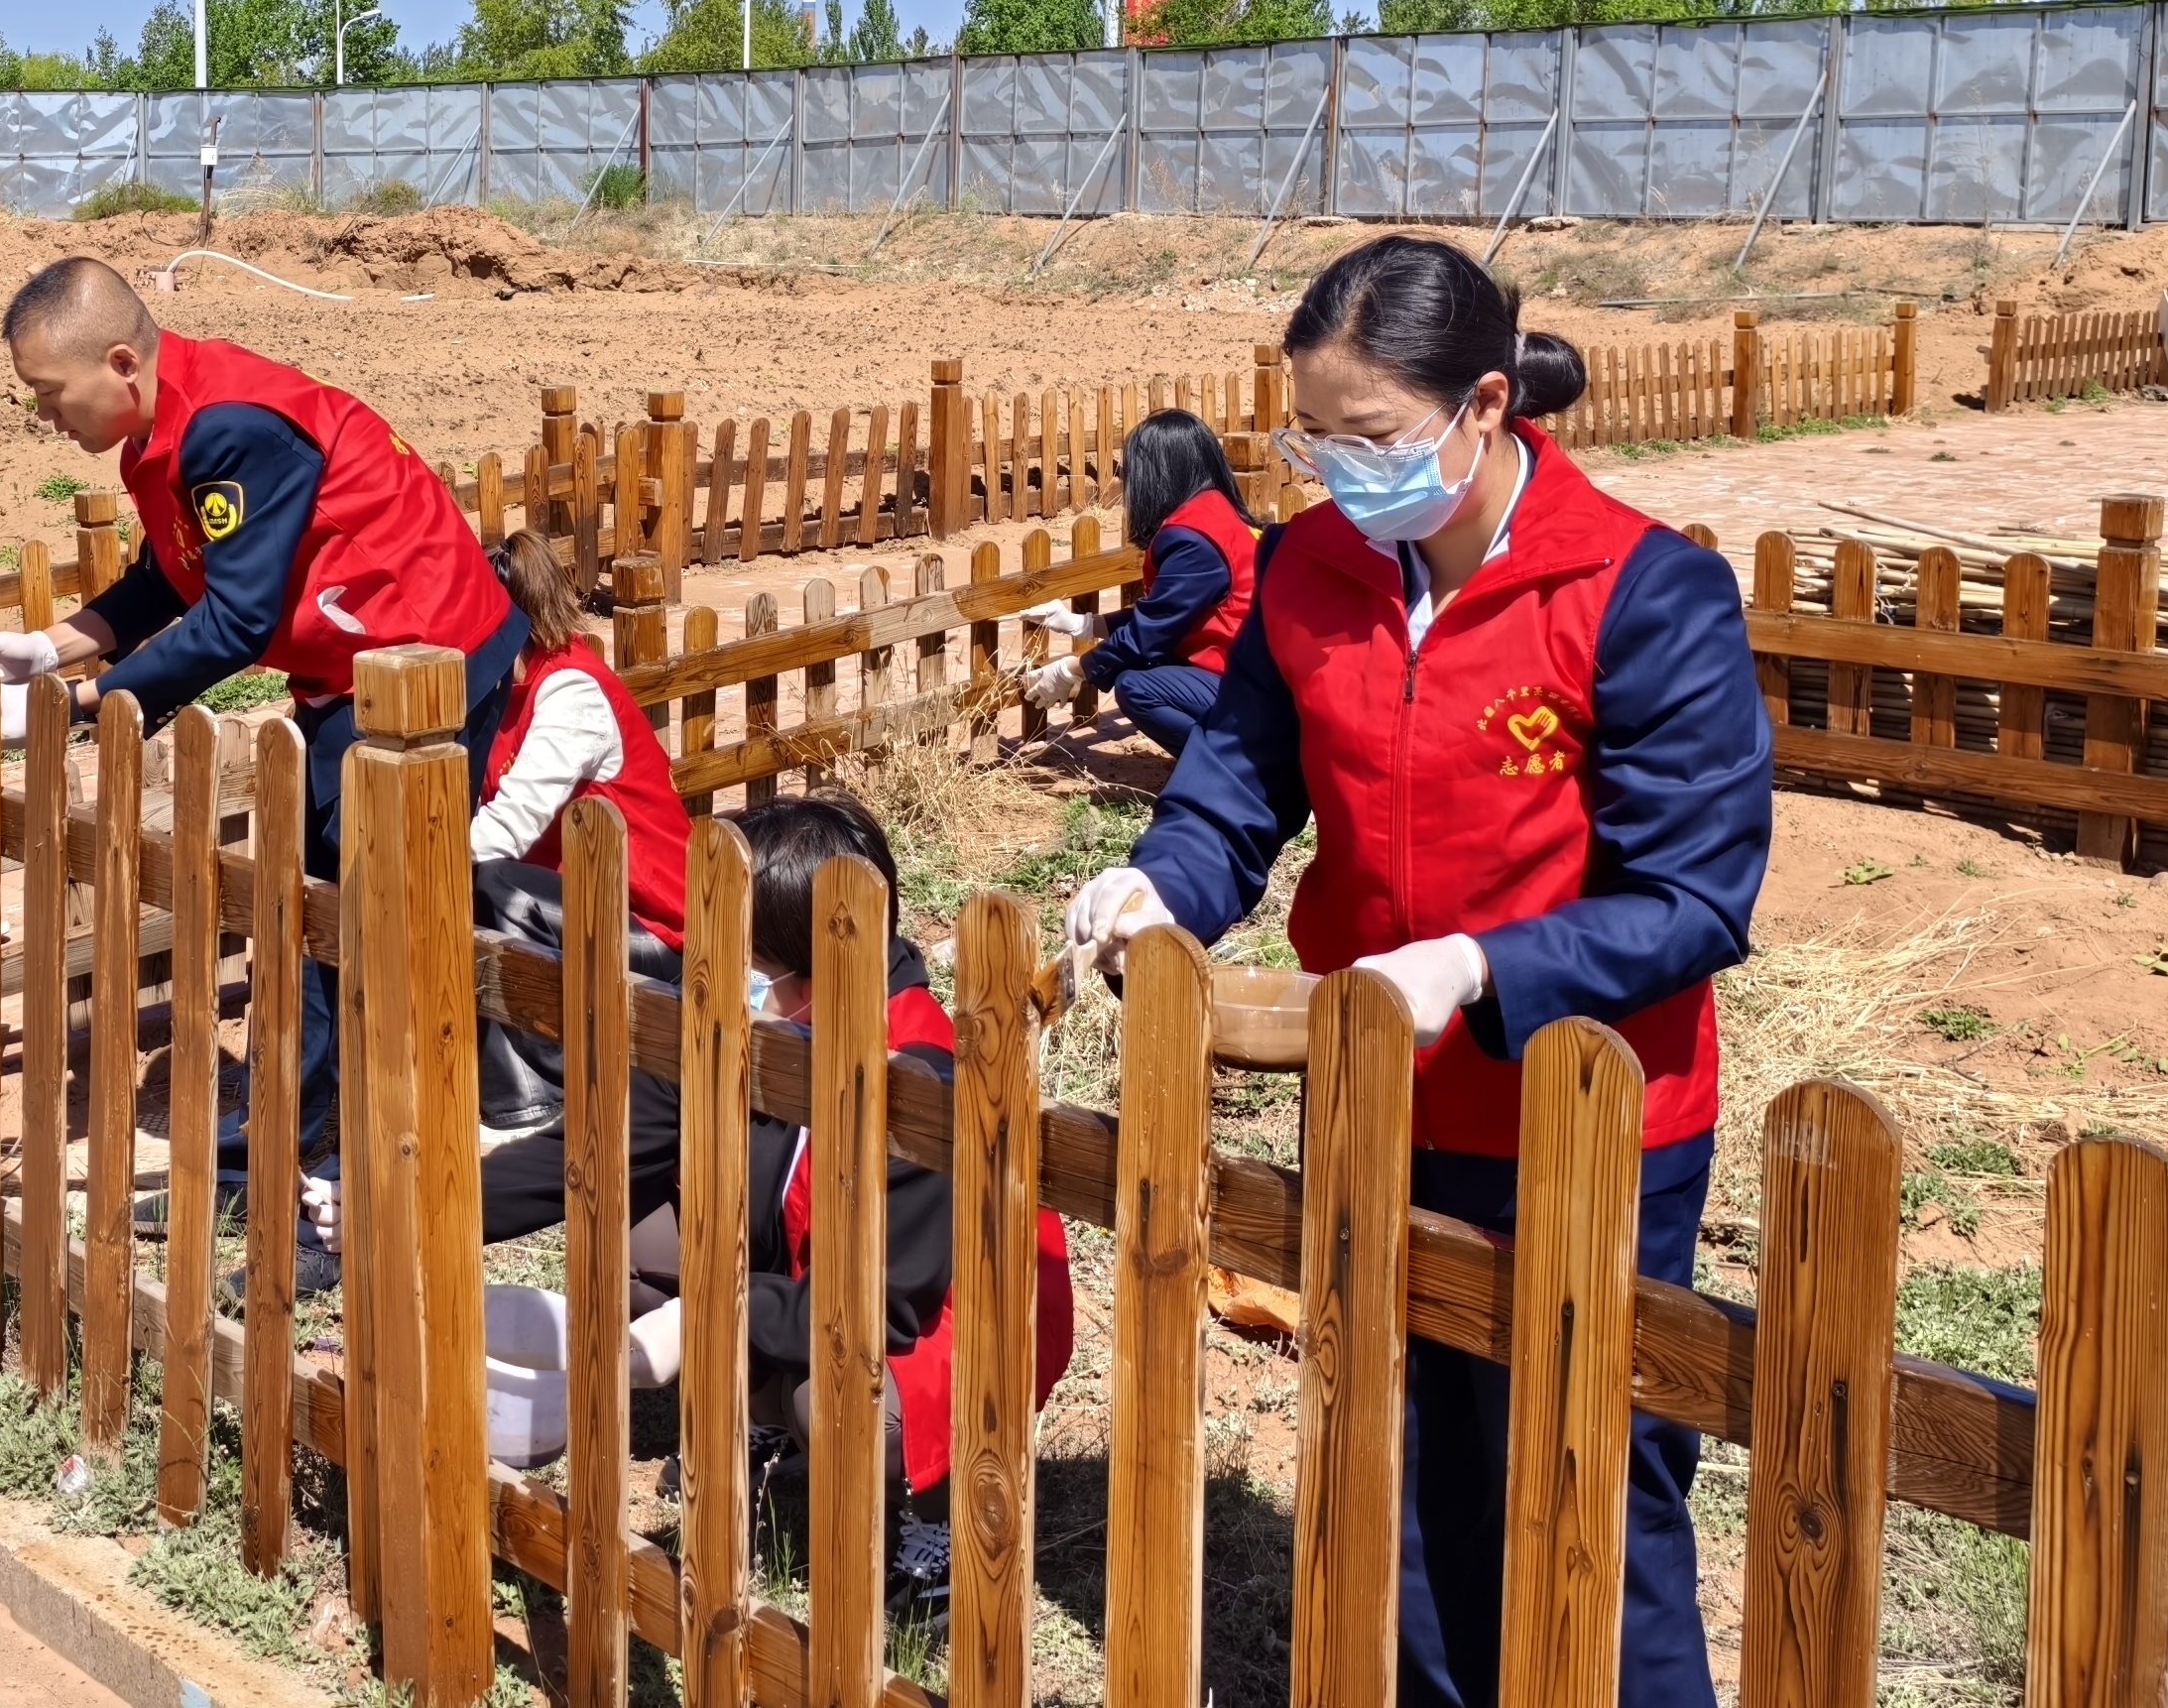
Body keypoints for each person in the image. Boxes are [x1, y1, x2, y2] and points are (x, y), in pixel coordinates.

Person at [1062, 232, 1771, 1708]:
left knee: (1590, 1494)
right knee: (1404, 1466)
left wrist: (1480, 965)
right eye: (1311, 439)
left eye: (1371, 439)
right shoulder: (1313, 572)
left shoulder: (1642, 594)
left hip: (1587, 1126)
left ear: (1486, 408)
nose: (1337, 472)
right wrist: (1162, 884)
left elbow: (1694, 898)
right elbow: (1238, 787)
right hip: (1380, 1097)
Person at [0, 256, 527, 1281]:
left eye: (50, 396)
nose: (45, 419)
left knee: (372, 932)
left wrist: (87, 704)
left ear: (121, 362)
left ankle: (354, 1199)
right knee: (322, 922)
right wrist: (53, 646)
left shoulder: (230, 427)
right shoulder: (166, 425)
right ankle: (279, 1156)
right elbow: (171, 574)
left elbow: (236, 618)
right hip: (351, 669)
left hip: (419, 664)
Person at [621, 794, 1077, 1616]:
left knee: (830, 1394)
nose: (730, 977)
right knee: (639, 1243)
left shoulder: (922, 1077)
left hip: (943, 1332)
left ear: (810, 963)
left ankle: (935, 1524)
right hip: (814, 1272)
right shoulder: (790, 1034)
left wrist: (713, 1312)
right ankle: (762, 1413)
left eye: (750, 962)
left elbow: (885, 1312)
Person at [463, 528, 692, 1151]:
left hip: (655, 926)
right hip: (580, 910)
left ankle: (550, 1090)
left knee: (490, 887)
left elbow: (508, 825)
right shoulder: (507, 691)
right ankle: (512, 1088)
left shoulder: (570, 690)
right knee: (485, 890)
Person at [1020, 408, 1257, 756]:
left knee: (1136, 686)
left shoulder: (1192, 541)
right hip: (1249, 669)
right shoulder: (1216, 512)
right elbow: (1170, 612)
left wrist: (1074, 668)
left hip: (1248, 685)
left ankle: (1233, 769)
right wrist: (1086, 624)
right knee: (1138, 666)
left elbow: (1151, 634)